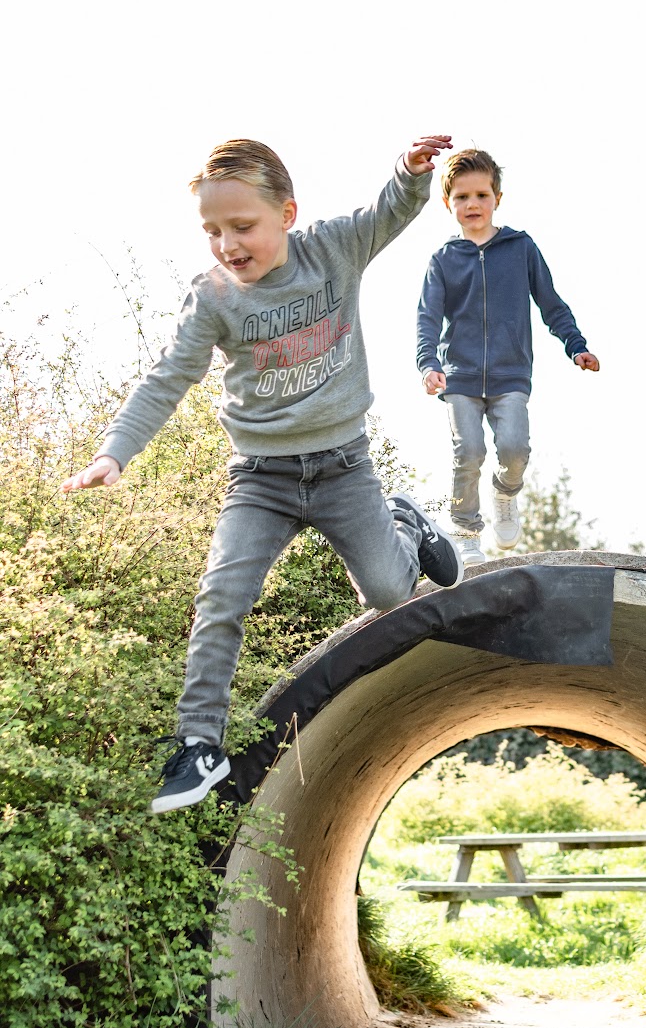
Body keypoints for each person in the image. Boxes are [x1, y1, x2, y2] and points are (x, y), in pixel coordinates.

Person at [63, 134, 462, 815]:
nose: (226, 244)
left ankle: (406, 524)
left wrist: (409, 173)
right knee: (222, 593)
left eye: (241, 226)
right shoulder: (214, 297)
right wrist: (114, 452)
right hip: (261, 479)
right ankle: (198, 745)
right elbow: (167, 379)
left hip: (343, 469)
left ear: (287, 213)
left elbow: (387, 213)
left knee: (390, 593)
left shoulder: (332, 249)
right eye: (212, 230)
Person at [416, 148, 599, 564]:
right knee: (469, 452)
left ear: (497, 197)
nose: (472, 204)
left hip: (510, 373)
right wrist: (428, 364)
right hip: (460, 376)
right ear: (448, 203)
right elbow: (427, 318)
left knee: (514, 448)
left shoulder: (521, 248)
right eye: (462, 197)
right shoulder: (443, 260)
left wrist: (577, 345)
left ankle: (505, 493)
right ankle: (464, 533)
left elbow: (550, 303)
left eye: (481, 195)